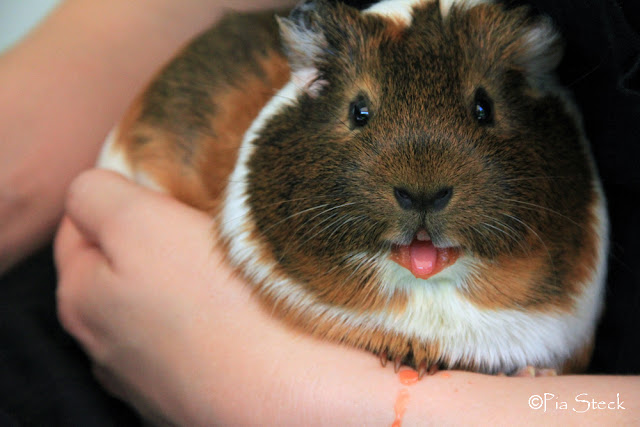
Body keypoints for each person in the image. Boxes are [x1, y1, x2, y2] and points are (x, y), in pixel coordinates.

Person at [2, 0, 639, 425]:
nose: (421, 180)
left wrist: (363, 408)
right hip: (122, 319)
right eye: (360, 115)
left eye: (481, 113)